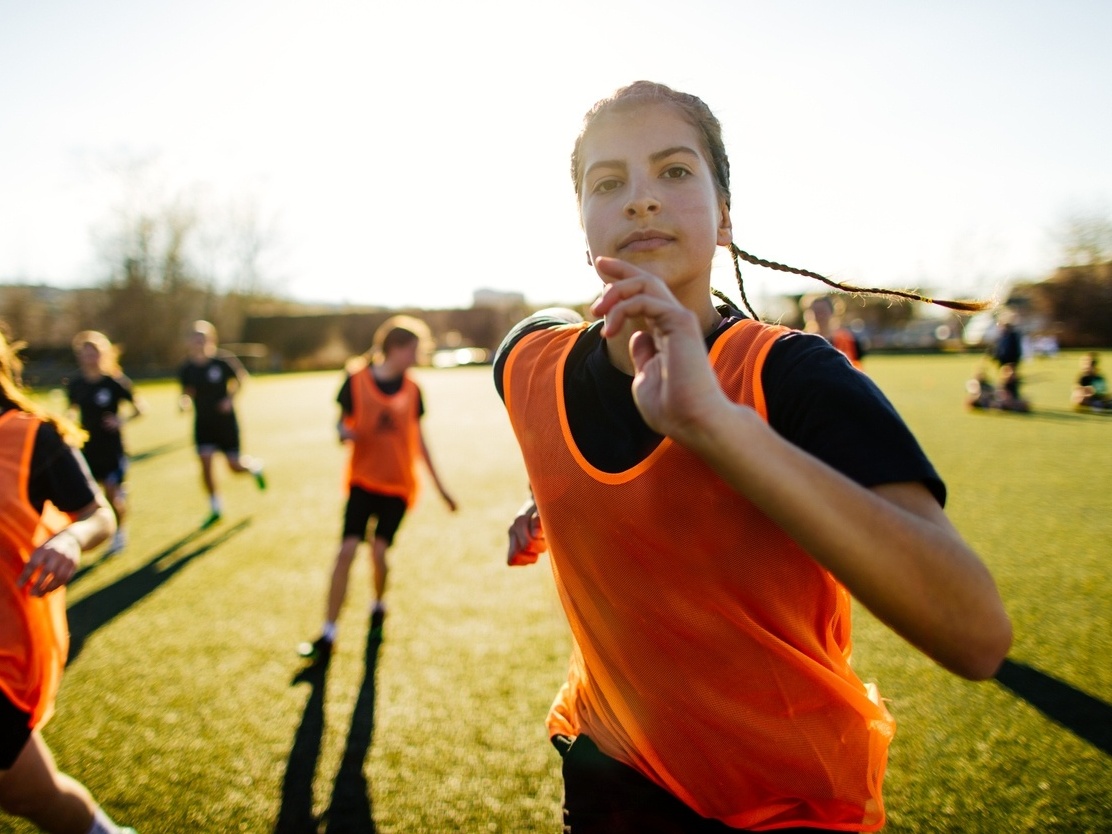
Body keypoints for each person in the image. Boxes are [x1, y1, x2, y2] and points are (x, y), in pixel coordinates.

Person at [496, 81, 1012, 833]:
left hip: (785, 805)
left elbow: (976, 634)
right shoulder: (524, 364)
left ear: (725, 216)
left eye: (674, 172)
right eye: (609, 182)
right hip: (610, 780)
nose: (641, 199)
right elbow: (569, 420)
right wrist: (553, 494)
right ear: (583, 225)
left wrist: (720, 429)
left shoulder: (795, 375)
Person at [0, 325, 138, 834]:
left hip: (6, 648)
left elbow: (98, 513)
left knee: (29, 793)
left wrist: (71, 539)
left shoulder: (31, 435)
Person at [299, 316, 457, 662]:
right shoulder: (355, 380)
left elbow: (420, 442)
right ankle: (328, 633)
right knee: (346, 551)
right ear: (395, 348)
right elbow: (341, 422)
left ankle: (378, 604)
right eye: (414, 349)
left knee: (379, 552)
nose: (418, 356)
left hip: (399, 485)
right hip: (362, 481)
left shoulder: (414, 389)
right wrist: (343, 432)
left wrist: (441, 489)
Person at [178, 320, 265, 528]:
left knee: (234, 467)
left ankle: (254, 468)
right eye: (195, 339)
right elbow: (186, 392)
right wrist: (184, 402)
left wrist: (230, 399)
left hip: (225, 423)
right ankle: (216, 507)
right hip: (203, 424)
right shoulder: (187, 368)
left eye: (203, 339)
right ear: (190, 342)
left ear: (211, 340)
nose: (199, 343)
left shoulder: (222, 361)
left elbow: (241, 379)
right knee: (205, 465)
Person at [67, 331, 145, 555]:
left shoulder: (114, 382)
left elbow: (140, 409)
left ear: (103, 354)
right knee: (90, 497)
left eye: (94, 352)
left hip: (112, 448)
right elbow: (71, 412)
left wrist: (121, 420)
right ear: (80, 356)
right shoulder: (76, 384)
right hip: (87, 449)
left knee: (111, 492)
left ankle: (120, 532)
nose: (90, 357)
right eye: (86, 353)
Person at [801, 293, 866, 370]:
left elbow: (858, 370)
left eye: (823, 310)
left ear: (832, 312)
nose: (820, 315)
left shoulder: (848, 339)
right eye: (816, 311)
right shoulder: (804, 341)